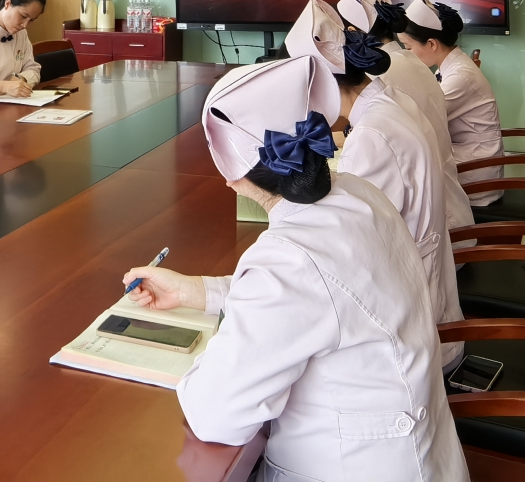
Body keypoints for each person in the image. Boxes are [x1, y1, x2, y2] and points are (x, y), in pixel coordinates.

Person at [123, 53, 468, 481]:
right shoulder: (358, 194)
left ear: (231, 178)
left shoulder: (288, 259)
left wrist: (208, 362)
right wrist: (198, 291)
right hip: (422, 458)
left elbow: (216, 416)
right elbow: (326, 294)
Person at [287, 0, 464, 369]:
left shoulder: (372, 133)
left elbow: (348, 247)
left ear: (321, 85)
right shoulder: (388, 100)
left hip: (409, 332)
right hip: (416, 291)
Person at [338, 0, 475, 247]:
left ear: (353, 33)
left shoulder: (381, 78)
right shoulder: (410, 60)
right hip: (445, 210)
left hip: (435, 231)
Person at [400, 0, 504, 205]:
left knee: (403, 176)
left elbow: (421, 119)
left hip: (475, 173)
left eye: (408, 48)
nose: (406, 54)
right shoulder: (451, 65)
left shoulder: (460, 76)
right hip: (467, 157)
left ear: (432, 44)